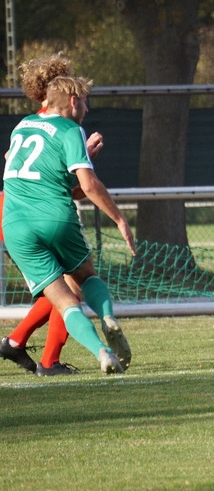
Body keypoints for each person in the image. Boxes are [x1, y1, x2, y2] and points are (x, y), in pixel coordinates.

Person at [2, 75, 135, 374]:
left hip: (14, 225)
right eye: (85, 102)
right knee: (86, 279)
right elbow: (87, 186)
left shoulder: (21, 126)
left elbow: (26, 170)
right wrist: (120, 220)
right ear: (73, 101)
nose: (86, 109)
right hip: (54, 218)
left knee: (64, 302)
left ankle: (100, 352)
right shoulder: (70, 129)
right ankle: (107, 318)